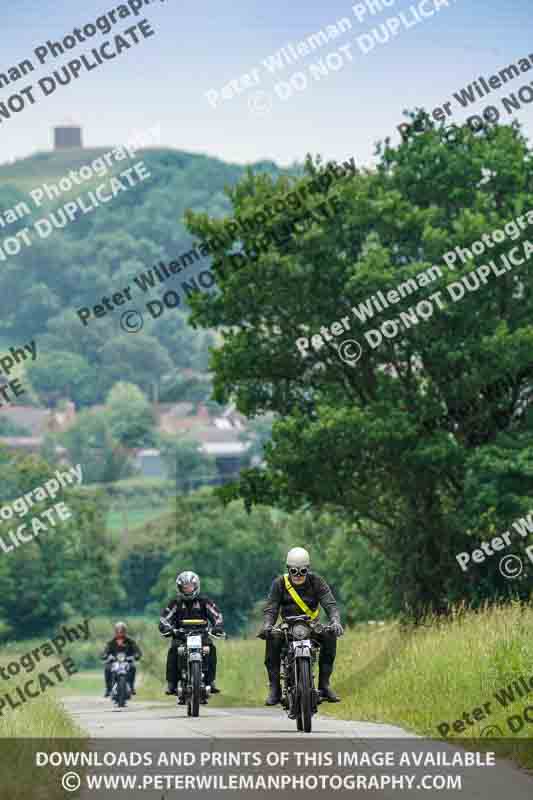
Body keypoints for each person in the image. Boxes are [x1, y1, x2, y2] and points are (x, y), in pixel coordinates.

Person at [259, 546, 344, 705]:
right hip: (287, 627)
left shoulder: (317, 581)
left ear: (308, 569)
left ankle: (324, 685)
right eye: (294, 571)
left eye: (302, 571)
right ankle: (275, 689)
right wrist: (267, 625)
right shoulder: (279, 583)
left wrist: (335, 621)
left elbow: (330, 604)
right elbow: (271, 608)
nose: (298, 575)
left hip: (311, 626)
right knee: (272, 638)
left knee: (329, 635)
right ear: (288, 569)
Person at [159, 571, 224, 700]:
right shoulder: (175, 603)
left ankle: (210, 681)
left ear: (196, 586)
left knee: (211, 649)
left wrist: (217, 626)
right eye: (184, 587)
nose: (188, 589)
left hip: (202, 635)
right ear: (180, 588)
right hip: (181, 636)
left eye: (190, 586)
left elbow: (217, 616)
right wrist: (167, 628)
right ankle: (171, 683)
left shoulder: (204, 601)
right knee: (173, 650)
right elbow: (164, 619)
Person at [102, 621, 142, 698]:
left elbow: (137, 651)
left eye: (122, 631)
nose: (120, 633)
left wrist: (136, 656)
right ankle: (108, 688)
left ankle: (131, 686)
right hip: (114, 661)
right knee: (107, 668)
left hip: (127, 661)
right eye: (118, 631)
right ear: (115, 631)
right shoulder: (111, 642)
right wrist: (105, 655)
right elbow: (105, 651)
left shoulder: (130, 641)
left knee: (133, 667)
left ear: (125, 631)